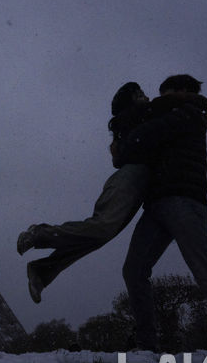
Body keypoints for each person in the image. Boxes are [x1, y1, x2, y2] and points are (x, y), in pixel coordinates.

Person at [118, 74, 207, 352]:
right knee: (134, 271)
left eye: (165, 92)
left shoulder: (188, 115)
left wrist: (130, 121)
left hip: (182, 201)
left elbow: (140, 140)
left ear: (181, 92)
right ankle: (146, 345)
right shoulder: (178, 116)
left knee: (203, 271)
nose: (159, 98)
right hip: (159, 204)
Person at [17, 82, 152, 303]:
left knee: (98, 237)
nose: (146, 97)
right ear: (130, 103)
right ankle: (40, 234)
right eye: (140, 95)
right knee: (101, 229)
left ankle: (43, 271)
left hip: (141, 186)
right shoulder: (144, 118)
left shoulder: (139, 121)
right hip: (133, 178)